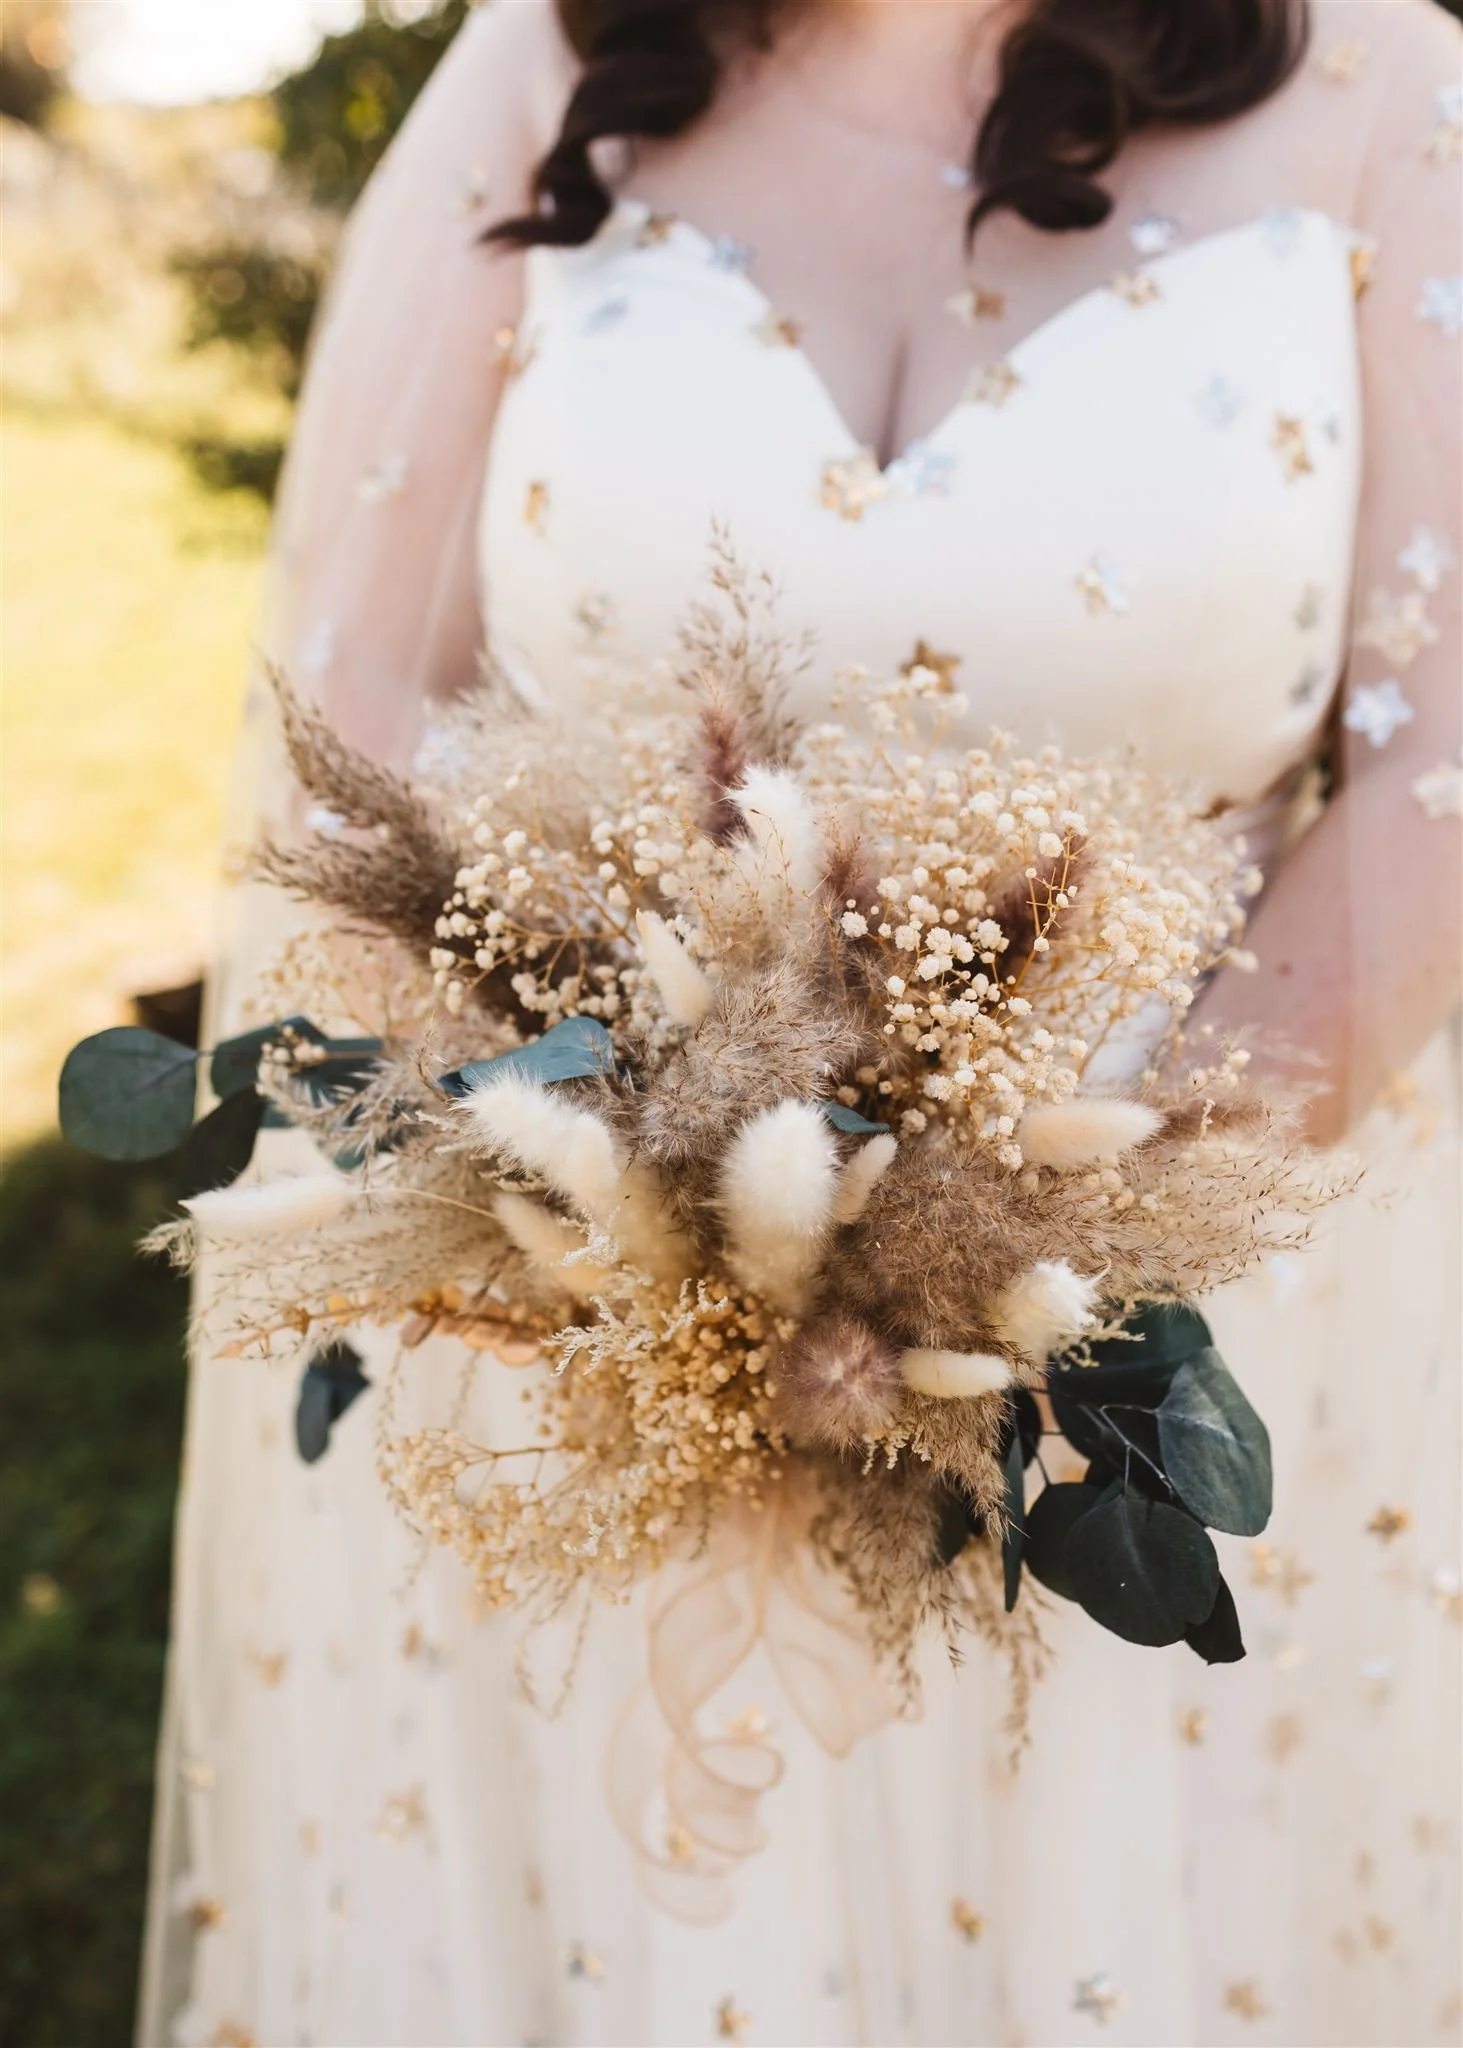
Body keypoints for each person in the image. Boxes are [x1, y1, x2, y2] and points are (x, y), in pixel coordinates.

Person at [139, 2, 1462, 2042]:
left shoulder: (1385, 91)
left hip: (1151, 1362)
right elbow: (351, 716)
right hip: (576, 1353)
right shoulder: (538, 68)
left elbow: (1434, 760)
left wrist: (1034, 1266)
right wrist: (616, 1253)